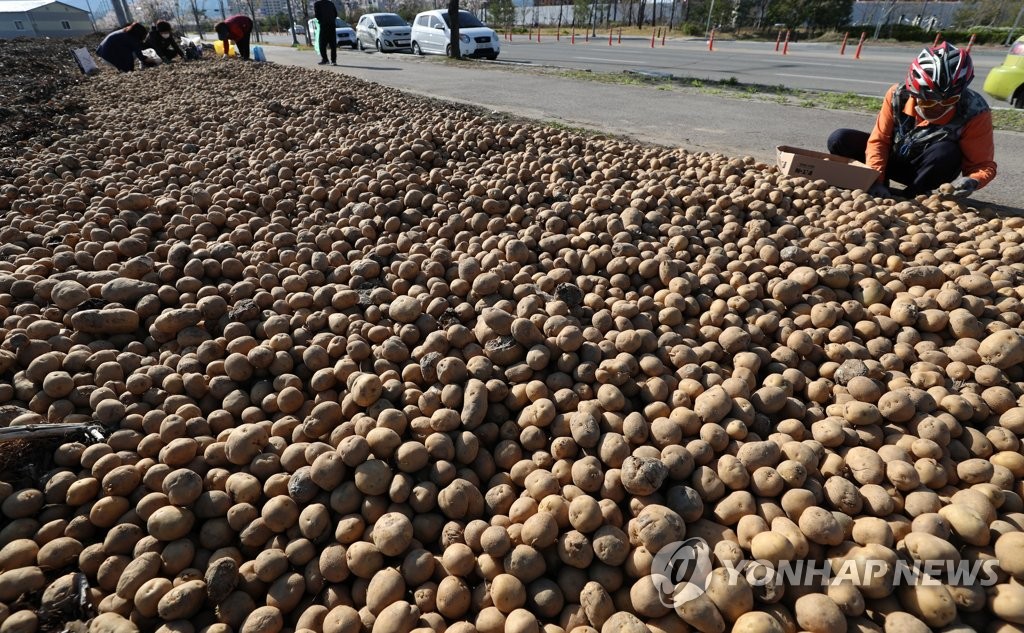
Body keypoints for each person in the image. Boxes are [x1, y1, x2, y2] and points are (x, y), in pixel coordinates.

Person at [827, 42, 996, 199]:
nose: (937, 107)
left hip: (927, 169)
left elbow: (982, 164)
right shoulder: (897, 95)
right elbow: (879, 141)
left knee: (946, 151)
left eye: (948, 102)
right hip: (892, 157)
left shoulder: (974, 110)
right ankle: (875, 187)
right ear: (914, 92)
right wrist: (876, 179)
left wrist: (974, 180)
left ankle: (913, 196)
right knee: (840, 138)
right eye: (927, 101)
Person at [314, 0, 338, 66]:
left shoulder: (317, 4)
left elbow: (317, 15)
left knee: (322, 44)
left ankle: (325, 59)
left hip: (324, 25)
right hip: (332, 25)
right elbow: (335, 14)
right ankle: (333, 60)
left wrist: (320, 20)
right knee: (333, 44)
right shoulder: (331, 3)